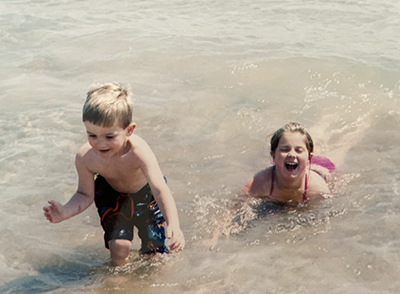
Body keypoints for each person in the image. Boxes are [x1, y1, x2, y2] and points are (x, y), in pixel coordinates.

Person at [43, 82, 185, 266]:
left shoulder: (138, 152)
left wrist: (173, 224)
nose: (100, 144)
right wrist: (65, 212)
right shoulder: (86, 157)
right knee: (119, 249)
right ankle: (118, 282)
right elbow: (85, 194)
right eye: (92, 135)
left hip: (146, 193)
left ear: (129, 130)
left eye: (109, 136)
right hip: (111, 194)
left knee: (155, 251)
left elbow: (159, 189)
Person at [241, 122, 334, 205]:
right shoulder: (259, 183)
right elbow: (234, 208)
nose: (292, 154)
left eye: (298, 150)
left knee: (338, 147)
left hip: (322, 167)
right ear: (273, 155)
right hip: (289, 165)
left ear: (309, 157)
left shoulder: (318, 189)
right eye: (285, 149)